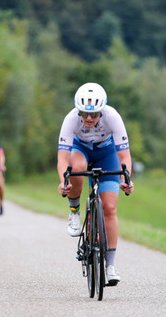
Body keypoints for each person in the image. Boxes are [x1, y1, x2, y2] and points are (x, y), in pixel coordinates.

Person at [57, 82, 134, 285]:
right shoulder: (70, 119)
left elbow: (124, 156)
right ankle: (74, 211)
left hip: (106, 154)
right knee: (78, 165)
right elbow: (63, 158)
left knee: (109, 208)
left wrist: (127, 179)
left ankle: (110, 265)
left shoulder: (113, 117)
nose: (89, 118)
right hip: (80, 151)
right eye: (84, 113)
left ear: (102, 110)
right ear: (78, 110)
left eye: (94, 114)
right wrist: (62, 181)